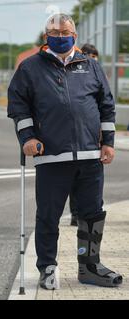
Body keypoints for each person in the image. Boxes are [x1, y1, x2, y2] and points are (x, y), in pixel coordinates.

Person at [7, 13, 123, 289]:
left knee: (92, 214)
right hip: (51, 156)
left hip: (90, 156)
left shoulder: (91, 66)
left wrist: (108, 141)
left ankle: (90, 266)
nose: (61, 38)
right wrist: (27, 137)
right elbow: (18, 106)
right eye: (55, 34)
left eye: (66, 33)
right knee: (48, 215)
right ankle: (47, 267)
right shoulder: (30, 67)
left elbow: (106, 105)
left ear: (75, 35)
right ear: (46, 37)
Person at [70, 43, 100, 227]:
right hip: (76, 137)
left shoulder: (98, 73)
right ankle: (75, 213)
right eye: (88, 54)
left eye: (94, 55)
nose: (92, 58)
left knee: (92, 184)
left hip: (93, 138)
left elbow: (106, 104)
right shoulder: (75, 74)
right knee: (74, 180)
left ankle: (88, 216)